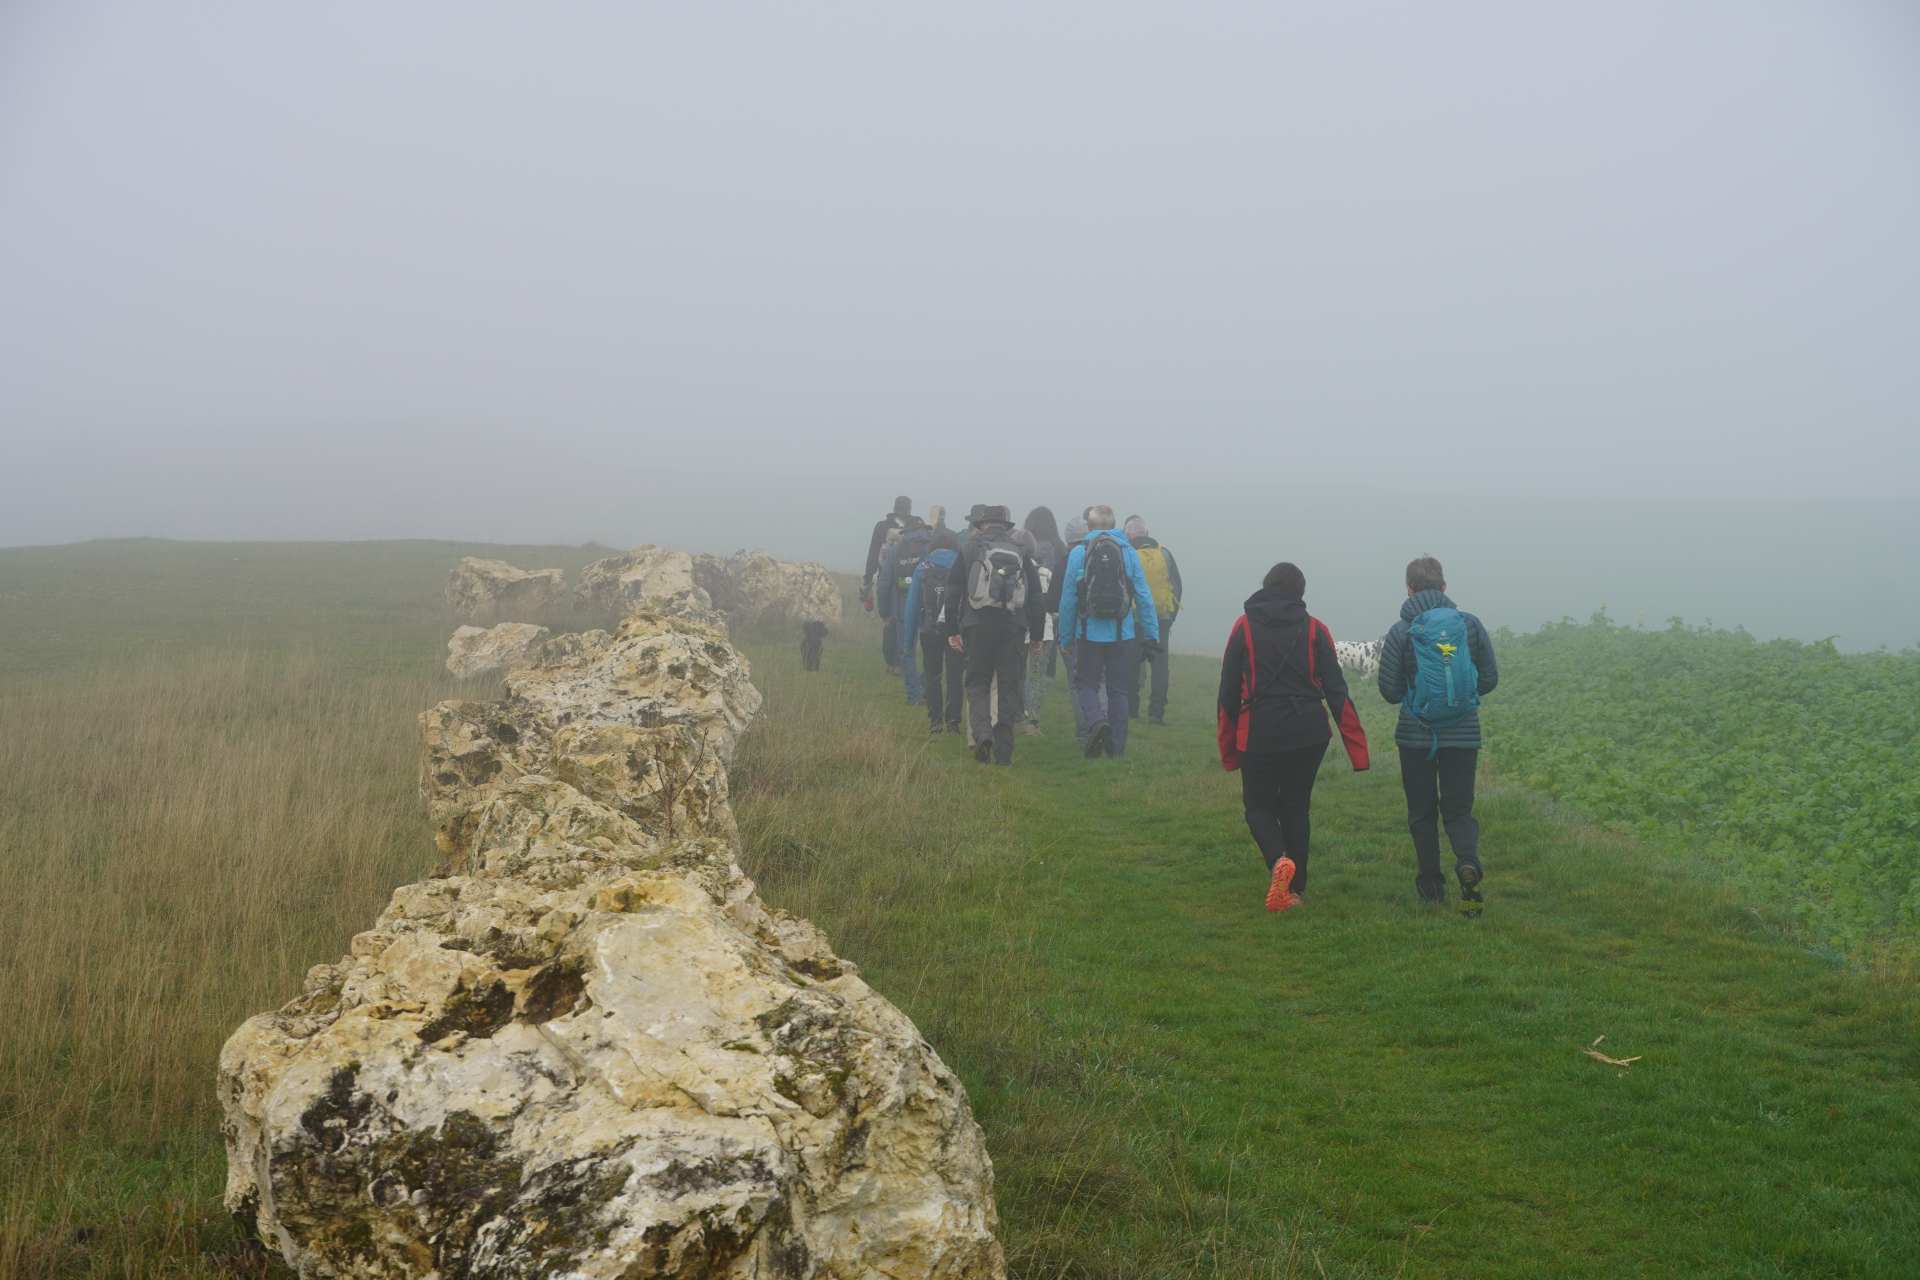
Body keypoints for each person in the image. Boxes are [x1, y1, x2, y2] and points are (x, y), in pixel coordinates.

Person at [1217, 562, 1370, 912]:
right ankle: (1295, 891)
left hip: (1260, 731)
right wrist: (1358, 750)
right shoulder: (1316, 629)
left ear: (1266, 586)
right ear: (1300, 593)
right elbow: (1337, 691)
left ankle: (1278, 861)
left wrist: (1228, 748)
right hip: (1309, 732)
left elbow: (1227, 694)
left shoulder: (1243, 626)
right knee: (1296, 807)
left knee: (1258, 807)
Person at [1378, 555, 1500, 915]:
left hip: (1415, 737)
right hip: (1463, 735)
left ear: (1409, 589)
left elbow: (1389, 691)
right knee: (1459, 810)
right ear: (1444, 587)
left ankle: (1431, 888)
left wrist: (1417, 696)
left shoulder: (1401, 631)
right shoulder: (1469, 625)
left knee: (1422, 812)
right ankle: (1467, 862)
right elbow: (1489, 679)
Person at [940, 504, 1047, 765]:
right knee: (1008, 686)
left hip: (977, 625)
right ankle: (1004, 752)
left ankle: (982, 734)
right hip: (1012, 627)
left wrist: (952, 630)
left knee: (977, 682)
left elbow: (953, 591)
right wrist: (1036, 635)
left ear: (982, 525)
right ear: (1005, 526)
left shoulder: (969, 549)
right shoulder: (1020, 550)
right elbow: (1035, 597)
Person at [1057, 505, 1160, 759]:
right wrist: (1151, 633)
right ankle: (1117, 748)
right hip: (1121, 634)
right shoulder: (1128, 552)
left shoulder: (1079, 553)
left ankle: (1096, 722)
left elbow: (1068, 599)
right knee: (1118, 690)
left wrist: (1065, 637)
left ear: (1089, 527)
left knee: (1085, 684)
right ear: (1115, 526)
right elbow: (1143, 595)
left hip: (1087, 633)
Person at [1123, 515, 1183, 725]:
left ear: (1128, 535)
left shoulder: (1126, 554)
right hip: (1160, 619)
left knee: (1131, 664)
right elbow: (1177, 586)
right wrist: (1170, 617)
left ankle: (1131, 709)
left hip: (1134, 619)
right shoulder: (1164, 554)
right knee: (1159, 667)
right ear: (1147, 533)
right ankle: (1156, 713)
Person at [902, 538, 963, 734]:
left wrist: (908, 641)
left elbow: (912, 607)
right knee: (954, 675)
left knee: (932, 675)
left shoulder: (922, 568)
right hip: (955, 629)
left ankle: (935, 721)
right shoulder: (962, 564)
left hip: (929, 629)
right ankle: (953, 722)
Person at [1018, 507, 1068, 734]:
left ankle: (1018, 714)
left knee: (1018, 671)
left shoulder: (1017, 561)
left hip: (1020, 623)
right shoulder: (1059, 548)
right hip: (1047, 620)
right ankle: (1033, 719)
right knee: (1037, 673)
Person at [876, 512, 934, 705]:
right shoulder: (931, 548)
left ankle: (914, 695)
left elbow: (884, 583)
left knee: (907, 651)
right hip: (929, 606)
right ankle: (926, 688)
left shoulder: (895, 551)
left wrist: (884, 611)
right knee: (930, 650)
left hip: (903, 608)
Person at [1051, 512, 1091, 748]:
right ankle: (1104, 724)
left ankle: (1084, 733)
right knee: (1101, 682)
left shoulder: (1065, 562)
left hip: (1074, 631)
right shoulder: (1107, 553)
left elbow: (1058, 602)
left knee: (1076, 683)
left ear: (1068, 540)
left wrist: (1064, 638)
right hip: (1103, 631)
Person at [862, 496, 912, 674]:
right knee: (905, 620)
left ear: (894, 508)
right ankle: (901, 661)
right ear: (909, 509)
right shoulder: (915, 526)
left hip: (887, 579)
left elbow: (873, 554)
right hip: (908, 581)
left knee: (888, 620)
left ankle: (890, 663)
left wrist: (867, 579)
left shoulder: (882, 527)